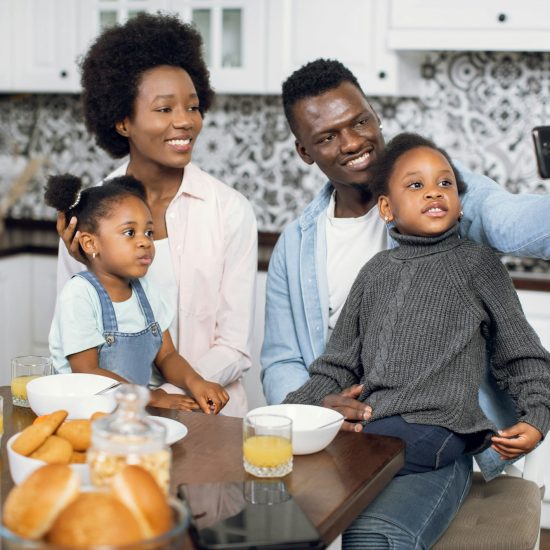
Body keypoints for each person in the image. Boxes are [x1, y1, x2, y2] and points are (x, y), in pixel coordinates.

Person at [261, 59, 550, 548]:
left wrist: (537, 416)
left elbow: (515, 226)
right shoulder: (303, 244)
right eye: (328, 136)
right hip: (346, 437)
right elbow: (292, 361)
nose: (352, 142)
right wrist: (313, 415)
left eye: (359, 121)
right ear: (304, 151)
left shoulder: (459, 213)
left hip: (438, 435)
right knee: (262, 528)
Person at [284, 132, 550, 476]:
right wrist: (289, 415)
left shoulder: (477, 265)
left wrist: (537, 417)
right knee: (327, 473)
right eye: (415, 185)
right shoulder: (374, 272)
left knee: (361, 466)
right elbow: (337, 365)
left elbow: (523, 355)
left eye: (445, 183)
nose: (434, 191)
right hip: (377, 424)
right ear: (386, 208)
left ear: (460, 202)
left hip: (442, 427)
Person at [56, 13, 257, 417]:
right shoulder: (86, 219)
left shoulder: (229, 211)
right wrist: (144, 400)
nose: (185, 121)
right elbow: (77, 338)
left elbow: (233, 346)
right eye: (164, 109)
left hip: (210, 418)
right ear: (123, 121)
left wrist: (168, 393)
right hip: (113, 418)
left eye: (193, 106)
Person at [46, 174, 229, 414]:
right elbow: (87, 373)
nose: (145, 242)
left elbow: (167, 356)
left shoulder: (147, 293)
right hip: (83, 417)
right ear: (90, 244)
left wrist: (196, 382)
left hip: (133, 414)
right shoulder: (79, 295)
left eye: (149, 233)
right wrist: (150, 397)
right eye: (130, 233)